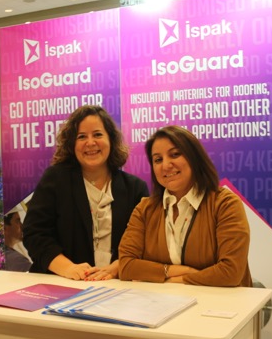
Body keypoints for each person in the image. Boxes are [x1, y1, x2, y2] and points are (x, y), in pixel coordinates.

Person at [23, 105, 149, 281]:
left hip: (117, 285)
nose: (90, 143)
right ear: (72, 144)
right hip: (63, 283)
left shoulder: (135, 188)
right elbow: (35, 234)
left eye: (97, 134)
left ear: (111, 139)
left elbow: (144, 242)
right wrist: (68, 268)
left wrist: (116, 268)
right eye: (81, 136)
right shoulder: (55, 179)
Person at [118, 125, 252, 287]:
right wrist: (169, 271)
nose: (166, 165)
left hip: (223, 302)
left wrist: (175, 280)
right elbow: (126, 266)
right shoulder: (144, 209)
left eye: (175, 154)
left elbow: (230, 273)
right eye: (158, 160)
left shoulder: (225, 204)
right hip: (163, 301)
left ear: (194, 157)